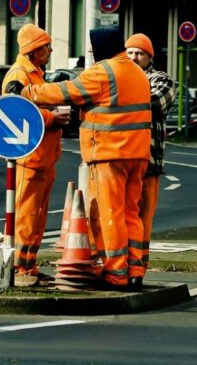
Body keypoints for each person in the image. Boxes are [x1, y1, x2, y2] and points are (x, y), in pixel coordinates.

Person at [9, 27, 152, 292]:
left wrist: (28, 93)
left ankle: (116, 273)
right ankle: (135, 270)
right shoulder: (137, 72)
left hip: (109, 154)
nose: (90, 52)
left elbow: (66, 92)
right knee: (132, 213)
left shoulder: (104, 71)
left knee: (110, 214)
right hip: (139, 155)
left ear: (102, 47)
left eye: (92, 47)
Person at [1, 23, 70, 287]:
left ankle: (28, 265)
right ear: (32, 50)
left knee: (37, 215)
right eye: (46, 46)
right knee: (26, 214)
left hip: (42, 157)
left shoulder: (34, 74)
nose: (51, 50)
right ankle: (20, 267)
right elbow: (16, 109)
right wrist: (53, 118)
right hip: (30, 158)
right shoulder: (19, 76)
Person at [125, 33, 176, 274]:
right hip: (121, 160)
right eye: (130, 52)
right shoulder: (121, 78)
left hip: (149, 162)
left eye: (140, 53)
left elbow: (154, 103)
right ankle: (120, 265)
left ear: (149, 57)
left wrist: (119, 97)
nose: (134, 57)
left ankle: (138, 267)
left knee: (143, 218)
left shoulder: (161, 79)